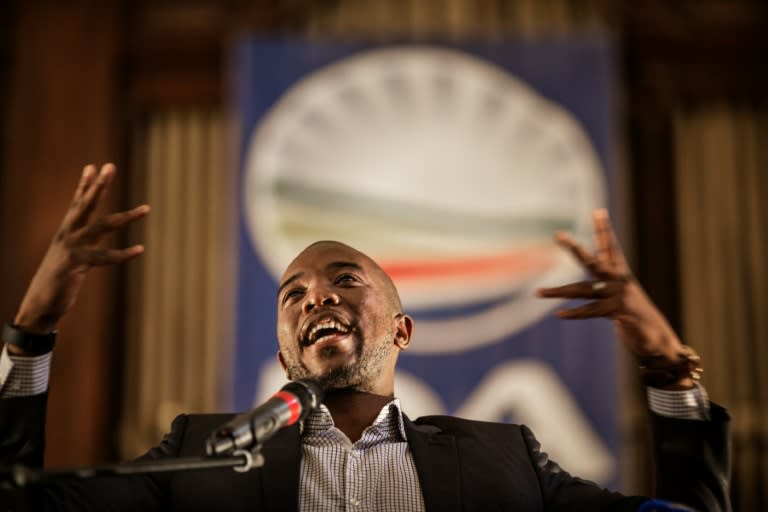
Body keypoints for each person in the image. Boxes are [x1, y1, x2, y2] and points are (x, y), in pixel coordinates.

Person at [0, 164, 730, 511]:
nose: (316, 293)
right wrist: (32, 331)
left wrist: (671, 369)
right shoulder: (199, 453)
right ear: (286, 352)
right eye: (294, 294)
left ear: (402, 329)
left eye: (345, 279)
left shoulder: (504, 462)